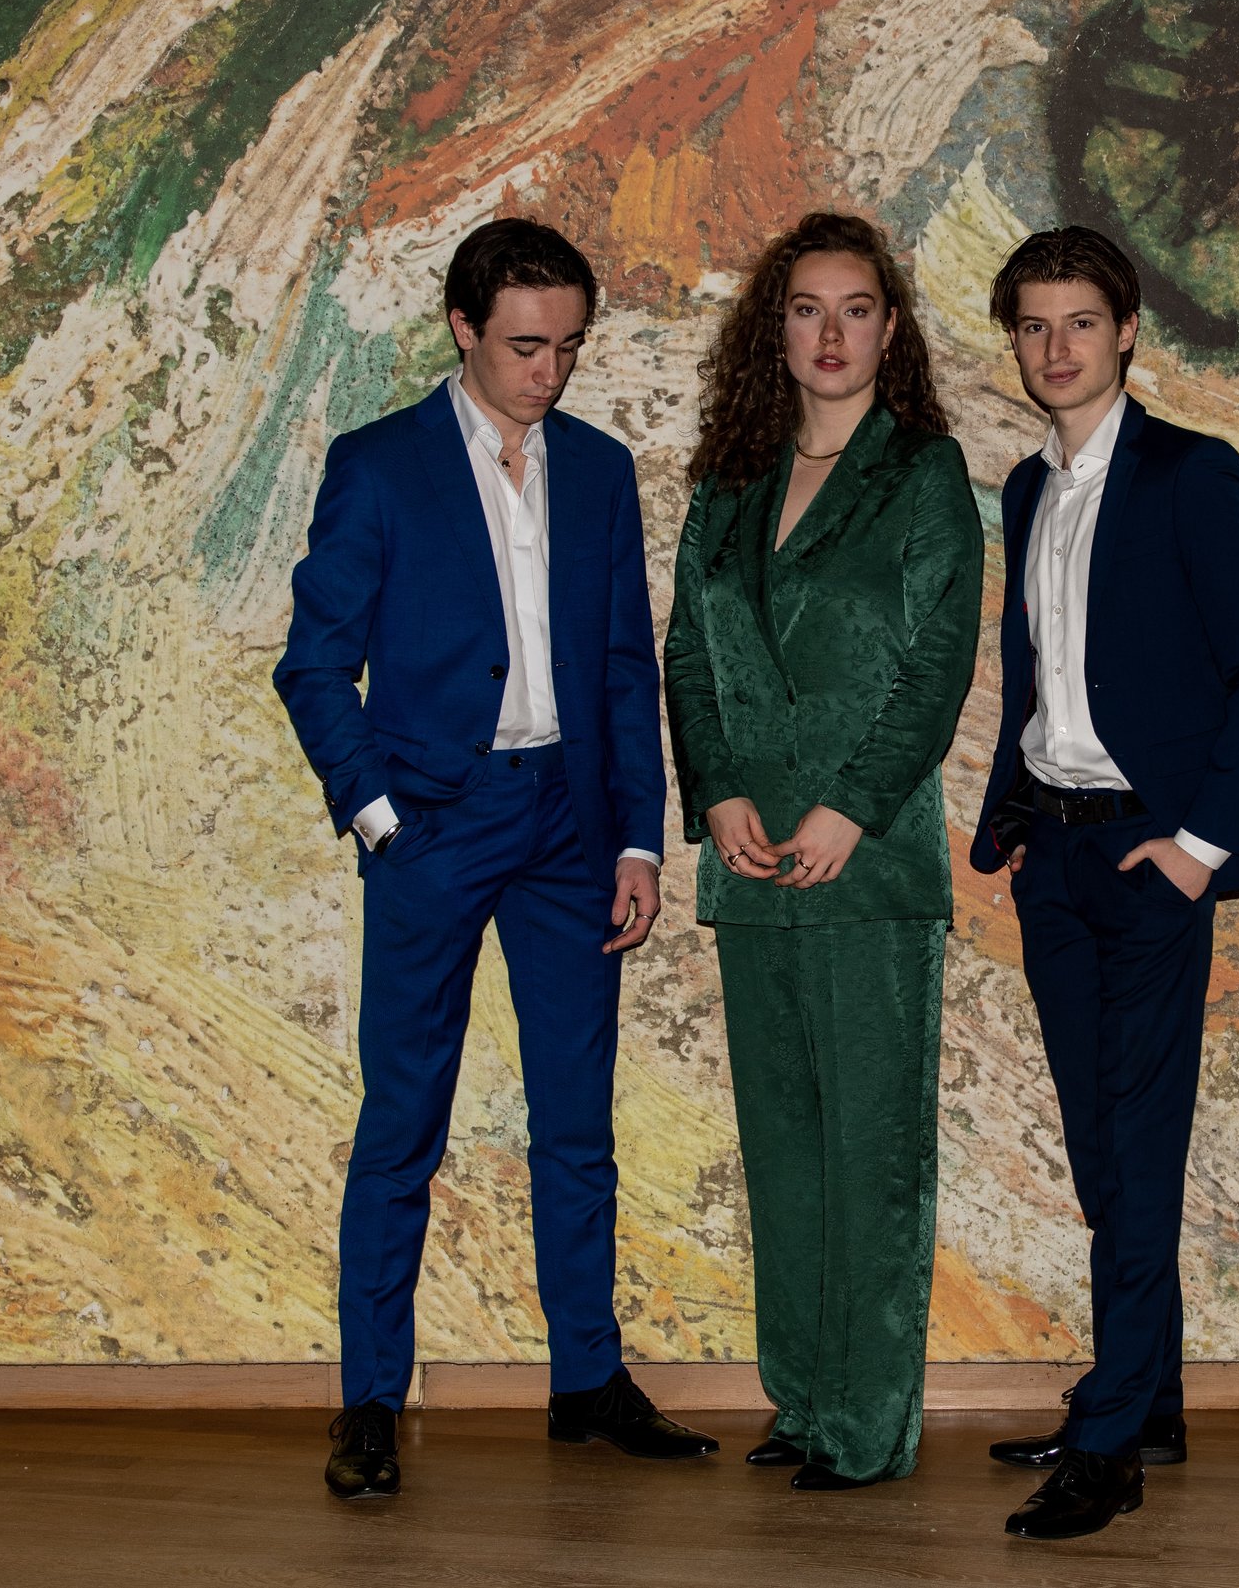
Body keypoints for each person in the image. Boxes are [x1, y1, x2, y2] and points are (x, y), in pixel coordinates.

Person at [275, 217, 716, 1499]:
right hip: (434, 823)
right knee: (401, 1122)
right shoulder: (379, 466)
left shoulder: (600, 470)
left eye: (568, 347)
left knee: (577, 1122)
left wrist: (636, 838)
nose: (548, 371)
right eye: (526, 345)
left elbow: (625, 667)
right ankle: (370, 1401)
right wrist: (380, 821)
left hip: (571, 828)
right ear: (463, 329)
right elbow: (314, 666)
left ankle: (587, 1382)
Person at [969, 227, 1239, 1540]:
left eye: (1079, 323)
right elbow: (1042, 670)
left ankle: (1108, 1441)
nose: (1055, 348)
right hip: (1054, 858)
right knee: (1099, 1145)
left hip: (1149, 863)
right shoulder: (1025, 488)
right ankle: (1148, 1393)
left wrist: (1198, 850)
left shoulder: (1187, 474)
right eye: (1033, 326)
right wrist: (1012, 815)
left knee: (1140, 1140)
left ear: (1124, 334)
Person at [663, 211, 983, 1491]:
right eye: (807, 309)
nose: (831, 333)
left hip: (867, 863)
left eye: (856, 309)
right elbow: (688, 654)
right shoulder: (728, 481)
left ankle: (865, 1422)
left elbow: (935, 666)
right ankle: (801, 1400)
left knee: (871, 1157)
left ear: (889, 330)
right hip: (750, 867)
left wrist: (850, 806)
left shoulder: (923, 474)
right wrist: (718, 794)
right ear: (775, 330)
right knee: (787, 1155)